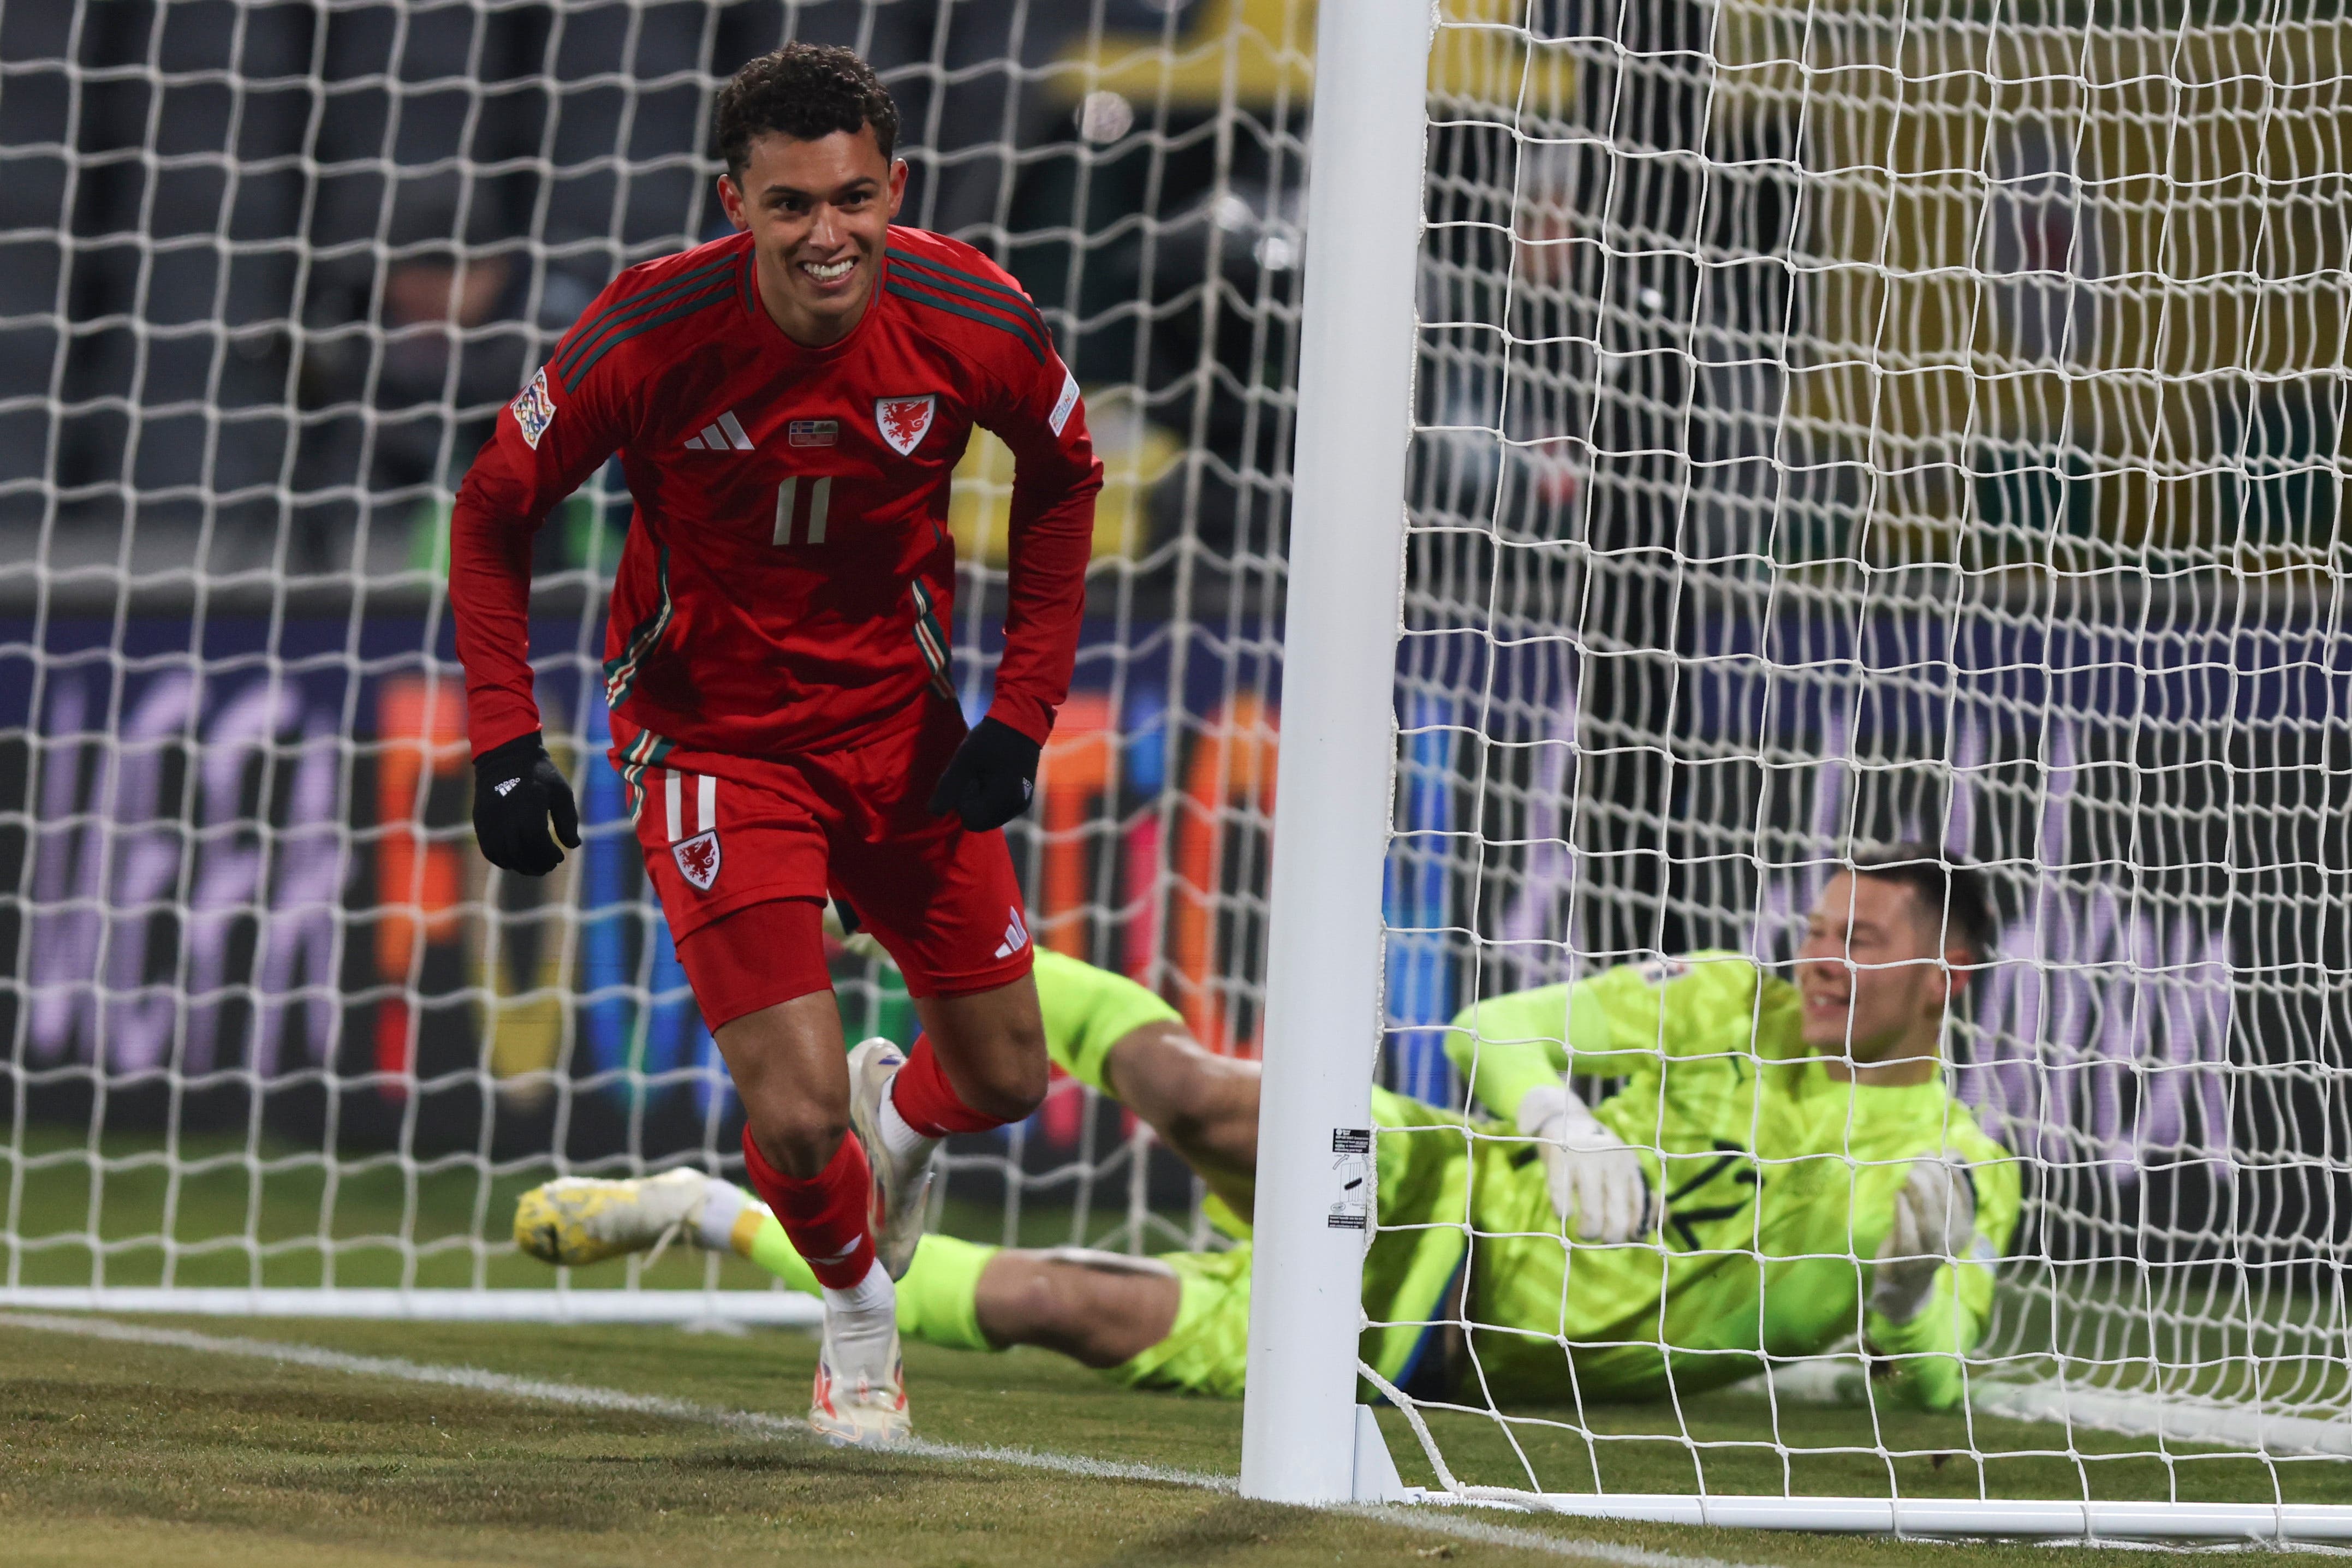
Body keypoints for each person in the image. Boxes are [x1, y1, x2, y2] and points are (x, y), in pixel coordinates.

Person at [449, 44, 1103, 1445]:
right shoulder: (647, 337)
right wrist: (506, 740)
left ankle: (904, 1121)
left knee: (1001, 1080)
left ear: (896, 189)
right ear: (734, 201)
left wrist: (1020, 711)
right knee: (798, 1119)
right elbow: (491, 508)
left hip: (900, 733)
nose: (829, 236)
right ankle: (859, 1323)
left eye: (855, 199)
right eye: (793, 204)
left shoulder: (970, 314)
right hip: (714, 743)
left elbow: (1064, 482)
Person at [516, 845, 2020, 1414]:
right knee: (1201, 1093)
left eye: (1860, 940)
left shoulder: (1956, 1169)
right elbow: (1490, 1032)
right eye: (1816, 926)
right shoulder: (1726, 1002)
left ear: (1947, 971)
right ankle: (905, 940)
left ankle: (701, 1209)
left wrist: (1898, 1288)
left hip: (1437, 1353)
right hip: (1436, 1192)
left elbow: (1931, 1376)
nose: (1817, 958)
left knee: (1063, 1307)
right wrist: (1555, 1114)